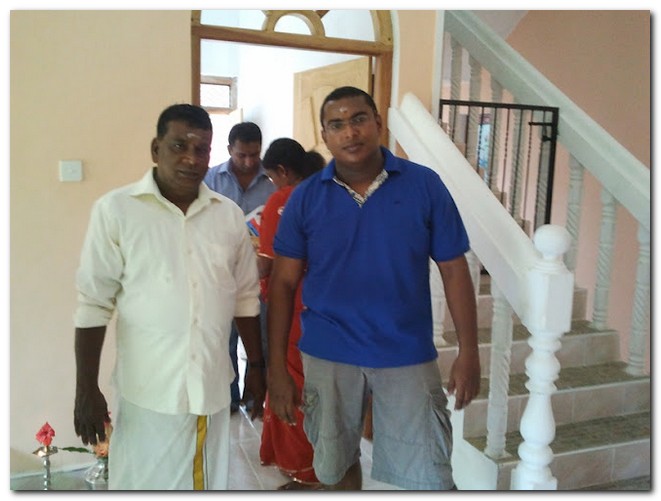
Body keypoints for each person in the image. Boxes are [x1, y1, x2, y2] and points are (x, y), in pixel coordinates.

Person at [267, 86, 480, 490]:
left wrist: (469, 351)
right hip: (329, 351)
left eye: (359, 119)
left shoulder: (424, 185)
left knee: (429, 475)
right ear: (325, 136)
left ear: (378, 123)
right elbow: (283, 283)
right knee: (335, 468)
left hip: (405, 350)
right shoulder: (305, 198)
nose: (350, 132)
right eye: (337, 125)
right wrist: (277, 368)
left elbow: (454, 270)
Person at [73, 104, 265, 490]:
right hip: (144, 388)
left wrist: (257, 368)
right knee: (136, 481)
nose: (191, 159)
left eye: (201, 149)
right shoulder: (117, 211)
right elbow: (94, 303)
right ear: (155, 148)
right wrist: (86, 388)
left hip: (205, 389)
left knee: (199, 483)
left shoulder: (227, 216)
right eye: (179, 146)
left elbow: (245, 298)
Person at [256, 138, 323, 490]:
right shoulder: (329, 193)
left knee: (290, 384)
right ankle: (325, 463)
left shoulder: (282, 200)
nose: (272, 184)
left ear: (283, 171)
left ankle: (303, 472)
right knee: (318, 385)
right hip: (325, 305)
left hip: (290, 306)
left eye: (271, 177)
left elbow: (267, 266)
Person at [204, 122, 276, 415]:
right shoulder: (210, 180)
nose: (248, 162)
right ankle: (230, 399)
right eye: (241, 155)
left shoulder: (272, 182)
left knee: (262, 337)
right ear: (229, 150)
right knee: (225, 339)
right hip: (221, 274)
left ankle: (257, 397)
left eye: (254, 155)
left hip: (262, 276)